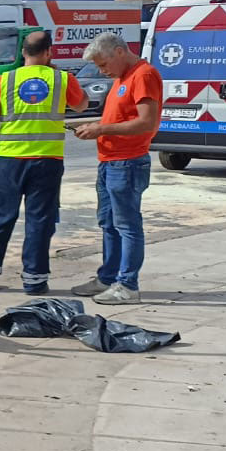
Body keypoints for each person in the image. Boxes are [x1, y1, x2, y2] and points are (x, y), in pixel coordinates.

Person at [0, 29, 87, 294]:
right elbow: (81, 105)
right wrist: (58, 75)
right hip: (47, 160)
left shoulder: (4, 80)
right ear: (49, 52)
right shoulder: (62, 79)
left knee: (0, 216)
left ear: (23, 52)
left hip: (9, 159)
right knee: (40, 220)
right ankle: (35, 280)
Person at [69, 31, 162, 304]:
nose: (102, 71)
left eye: (103, 64)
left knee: (127, 225)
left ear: (119, 52)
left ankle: (128, 285)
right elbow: (120, 118)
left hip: (127, 162)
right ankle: (108, 277)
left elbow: (146, 122)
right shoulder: (123, 77)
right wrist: (96, 127)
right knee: (109, 223)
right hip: (110, 161)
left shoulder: (143, 75)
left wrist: (101, 129)